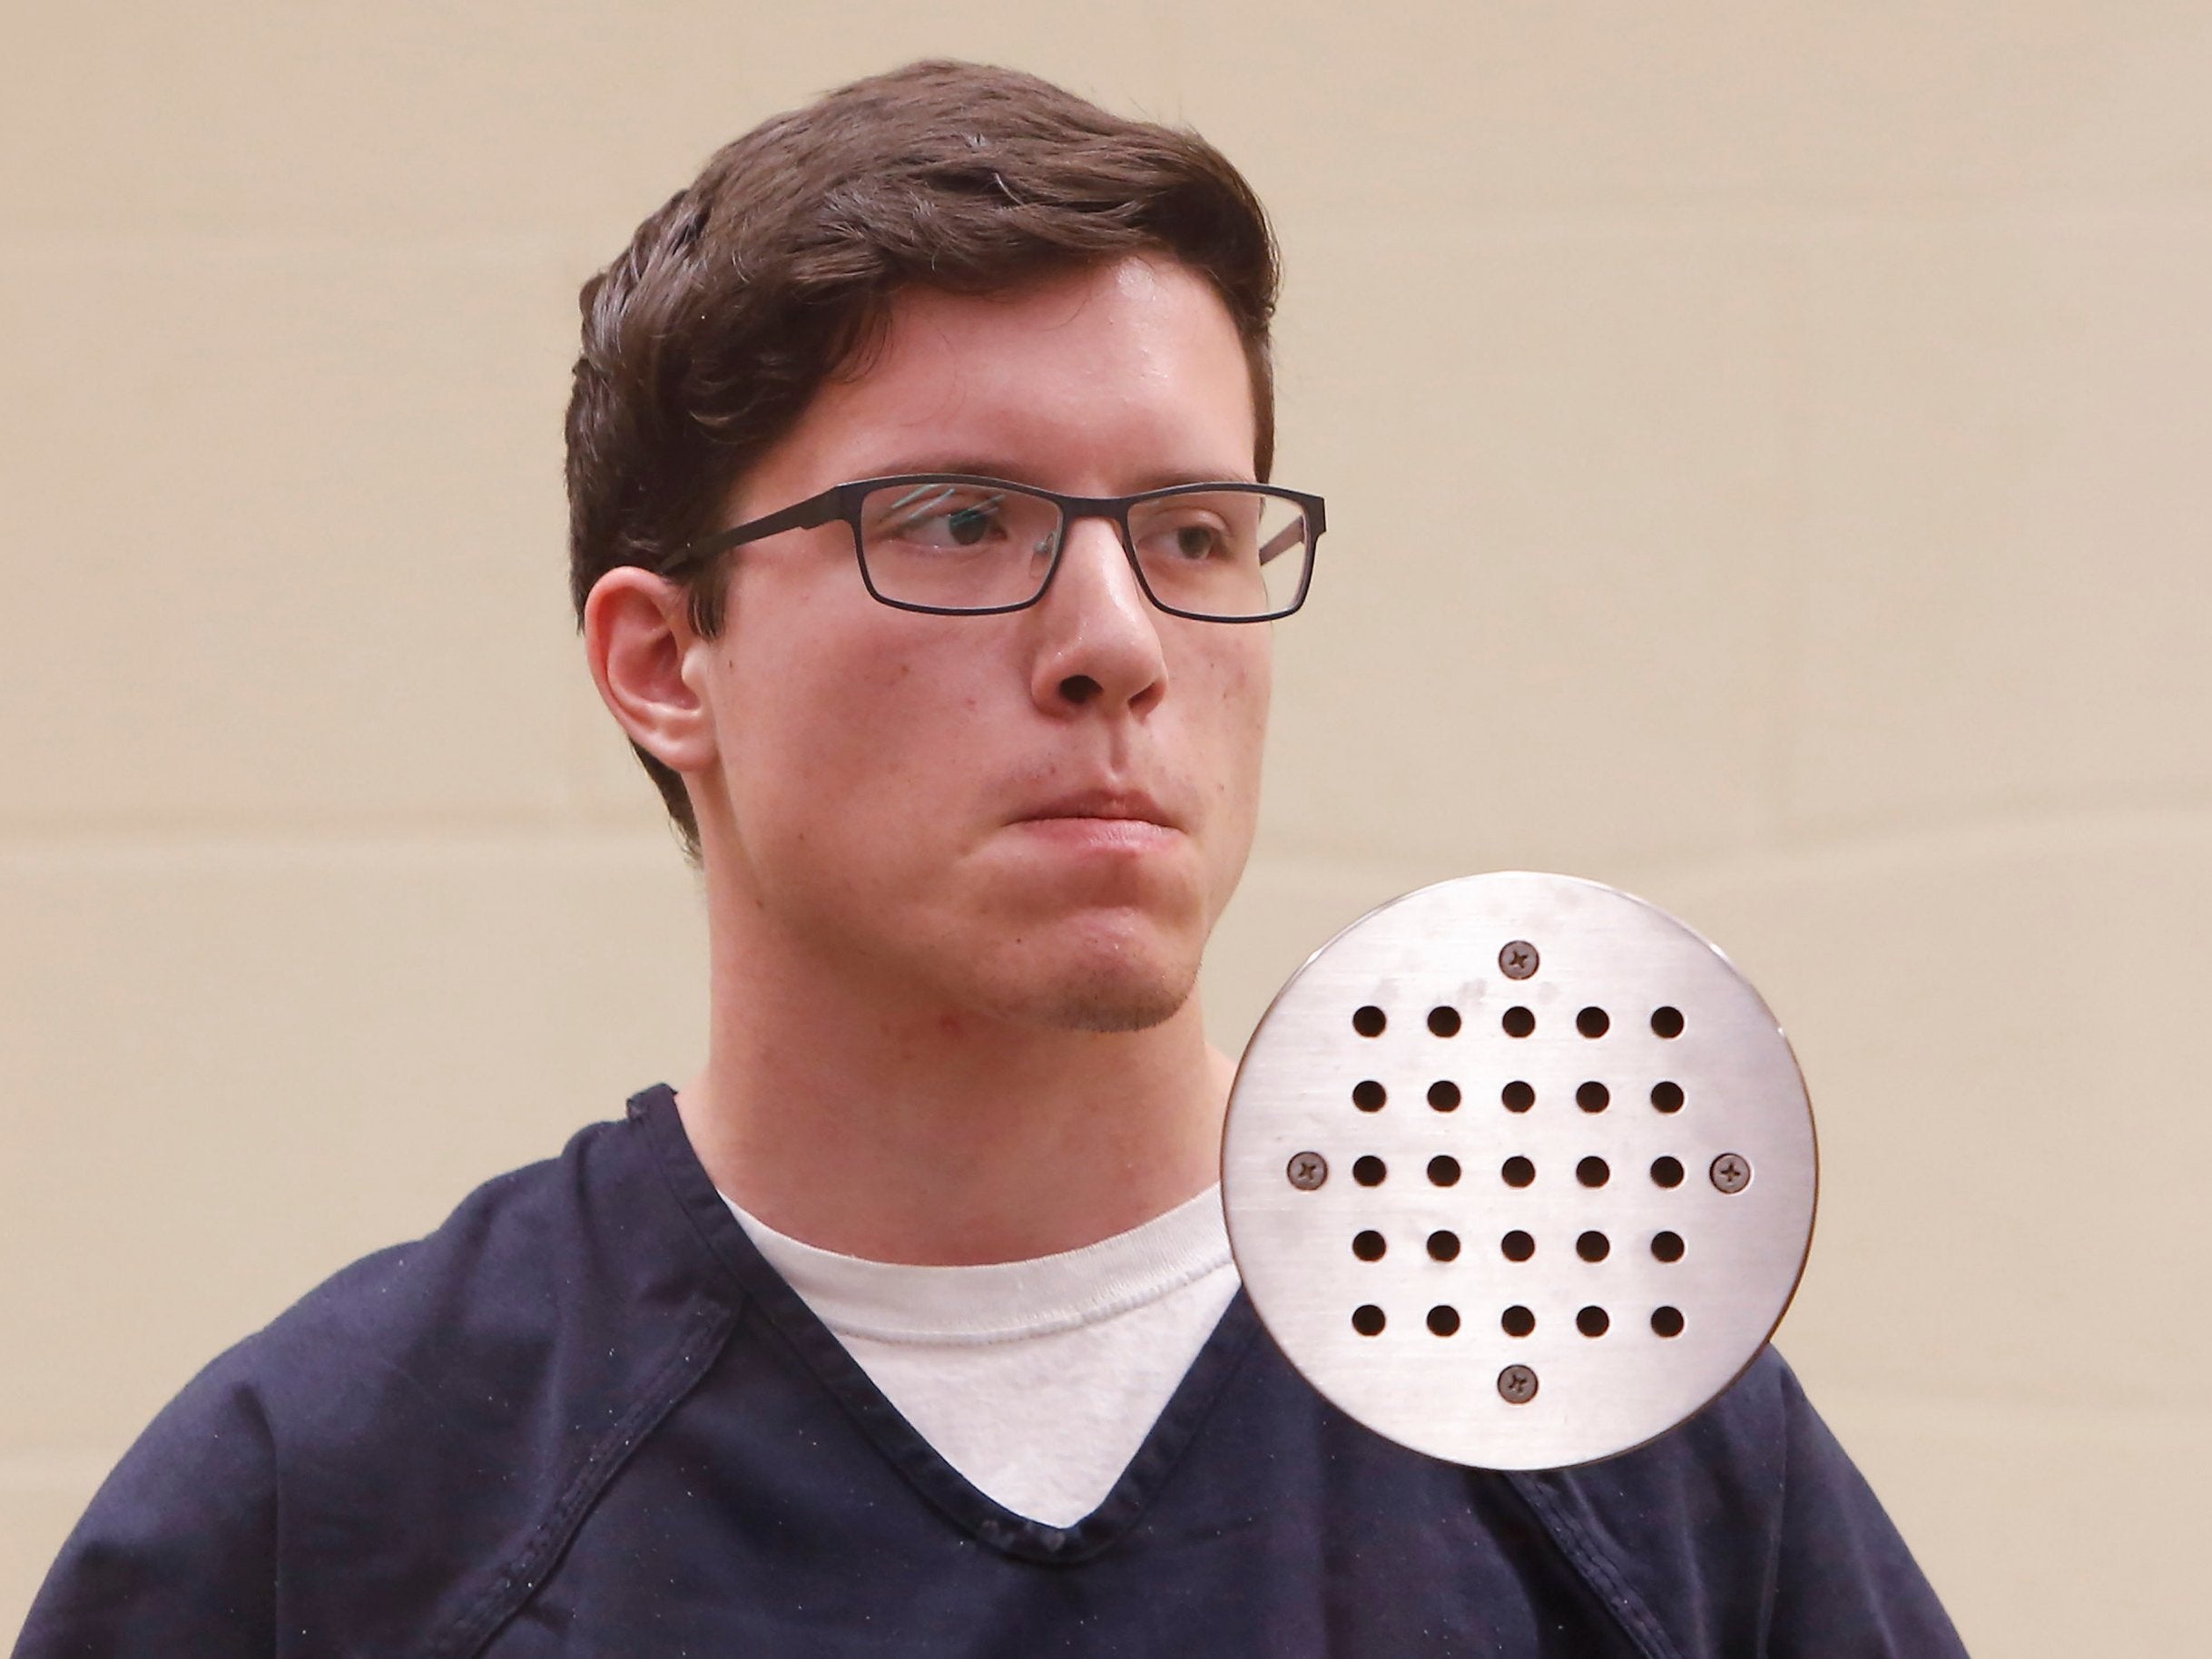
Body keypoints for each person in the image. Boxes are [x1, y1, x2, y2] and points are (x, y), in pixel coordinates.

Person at [15, 62, 1965, 1656]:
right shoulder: (336, 1500)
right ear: (661, 657)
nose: (1117, 634)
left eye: (1195, 531)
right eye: (958, 520)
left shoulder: (1591, 1415)